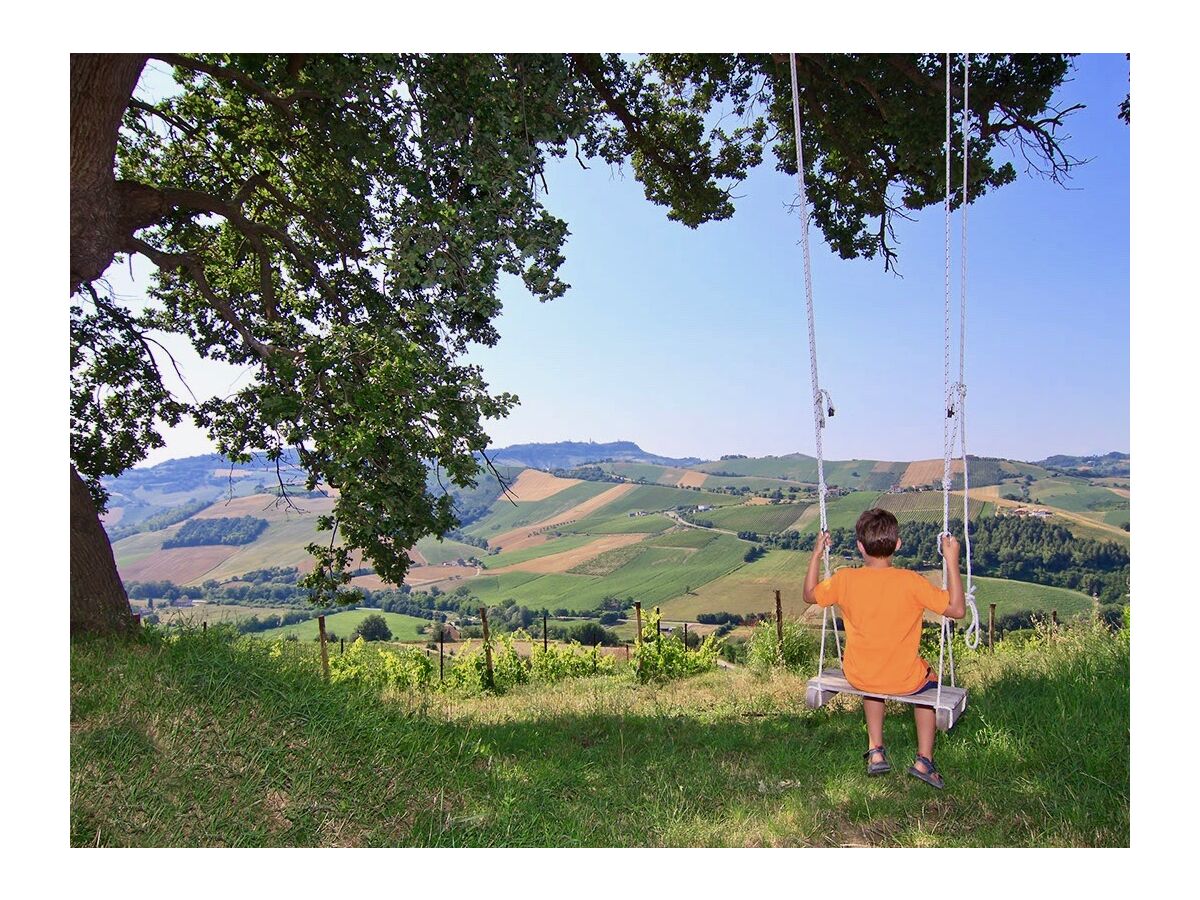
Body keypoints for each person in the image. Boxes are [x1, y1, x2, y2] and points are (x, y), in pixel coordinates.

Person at [803, 508, 965, 789]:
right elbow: (957, 609)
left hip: (859, 674)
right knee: (929, 681)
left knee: (872, 681)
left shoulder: (844, 579)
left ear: (859, 546)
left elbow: (808, 595)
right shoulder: (911, 582)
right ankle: (924, 760)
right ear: (898, 545)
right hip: (903, 679)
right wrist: (952, 561)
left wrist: (817, 554)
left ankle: (876, 751)